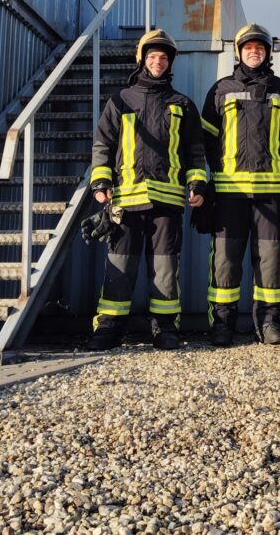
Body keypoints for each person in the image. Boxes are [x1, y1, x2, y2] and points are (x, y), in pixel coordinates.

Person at [82, 29, 208, 350]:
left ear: (170, 63)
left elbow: (195, 151)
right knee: (120, 265)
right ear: (142, 60)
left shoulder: (183, 105)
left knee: (164, 269)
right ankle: (109, 328)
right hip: (126, 200)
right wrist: (100, 183)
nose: (158, 62)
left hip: (168, 202)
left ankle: (164, 328)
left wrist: (197, 183)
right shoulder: (120, 100)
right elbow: (103, 145)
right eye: (152, 57)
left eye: (163, 58)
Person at [200, 24, 280, 346]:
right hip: (229, 193)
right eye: (248, 47)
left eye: (260, 47)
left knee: (271, 260)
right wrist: (219, 172)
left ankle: (269, 323)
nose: (254, 52)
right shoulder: (221, 90)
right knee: (225, 261)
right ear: (239, 52)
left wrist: (276, 165)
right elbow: (208, 137)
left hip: (271, 192)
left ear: (267, 53)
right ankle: (223, 323)